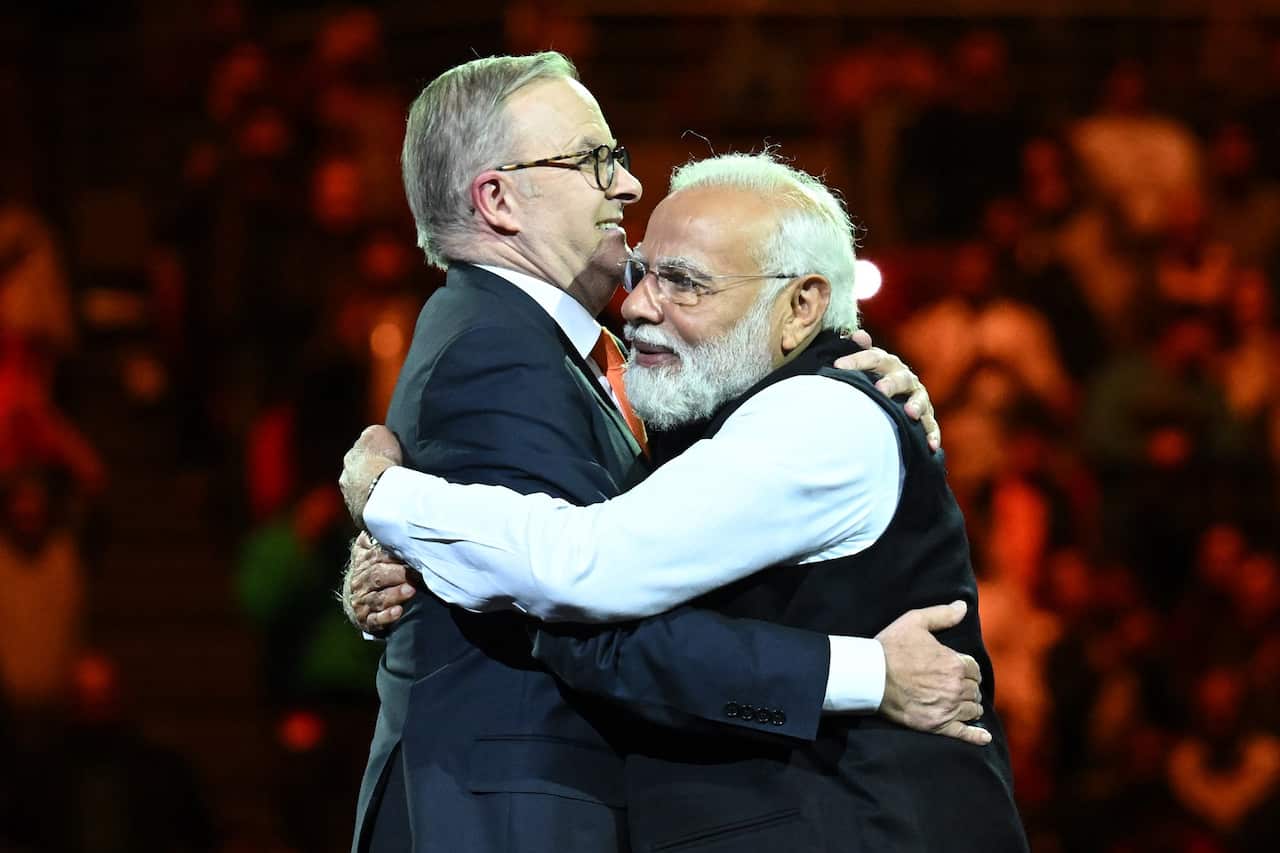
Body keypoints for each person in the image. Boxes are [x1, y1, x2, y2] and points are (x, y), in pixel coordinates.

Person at [342, 52, 985, 853]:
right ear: (497, 198)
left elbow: (574, 577)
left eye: (684, 282)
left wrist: (400, 510)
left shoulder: (795, 407)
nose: (627, 184)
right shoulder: (499, 349)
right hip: (517, 814)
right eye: (592, 159)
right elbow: (580, 587)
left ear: (799, 307)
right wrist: (870, 674)